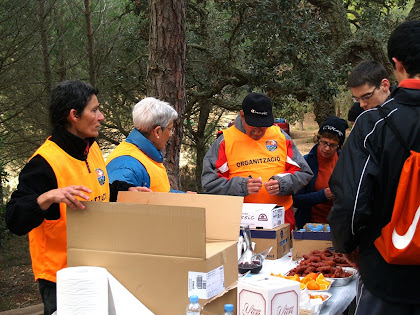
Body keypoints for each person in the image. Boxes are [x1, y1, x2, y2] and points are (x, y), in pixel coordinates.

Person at [5, 80, 149, 315]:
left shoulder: (90, 148)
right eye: (94, 110)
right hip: (63, 280)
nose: (101, 116)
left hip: (99, 268)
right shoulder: (43, 163)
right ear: (74, 115)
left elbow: (95, 189)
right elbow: (14, 219)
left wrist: (123, 191)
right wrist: (47, 197)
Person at [328, 21, 420, 314]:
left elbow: (351, 202)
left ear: (396, 64)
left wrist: (347, 245)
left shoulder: (373, 125)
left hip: (389, 274)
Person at [201, 92, 313, 231]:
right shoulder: (225, 141)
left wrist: (283, 184)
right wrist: (241, 186)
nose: (259, 131)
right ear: (242, 115)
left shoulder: (280, 137)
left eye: (264, 126)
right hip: (240, 222)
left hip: (281, 218)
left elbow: (304, 173)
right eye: (254, 125)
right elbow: (209, 184)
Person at [106, 97, 188, 193]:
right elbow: (121, 204)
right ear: (157, 131)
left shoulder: (145, 155)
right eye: (170, 129)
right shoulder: (126, 167)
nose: (170, 135)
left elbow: (159, 194)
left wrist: (183, 197)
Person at [293, 116, 348, 229]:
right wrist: (322, 195)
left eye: (332, 145)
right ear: (318, 139)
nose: (327, 148)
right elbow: (295, 200)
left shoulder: (347, 163)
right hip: (311, 225)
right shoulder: (306, 163)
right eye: (324, 142)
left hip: (339, 225)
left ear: (339, 145)